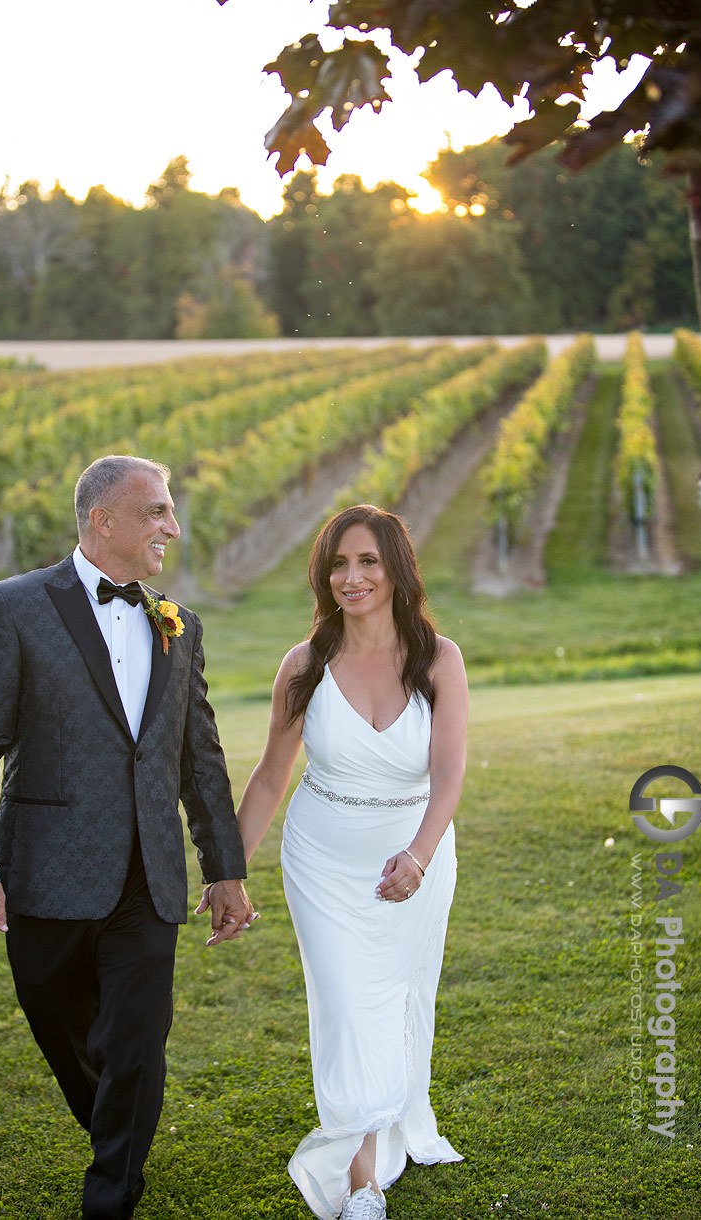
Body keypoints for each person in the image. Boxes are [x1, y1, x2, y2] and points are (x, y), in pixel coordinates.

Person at [0, 454, 255, 1220]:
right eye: (156, 512)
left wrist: (224, 868)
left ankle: (111, 1192)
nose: (172, 528)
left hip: (150, 878)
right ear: (101, 520)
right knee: (62, 1025)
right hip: (45, 871)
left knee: (138, 1039)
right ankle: (117, 1125)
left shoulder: (179, 625)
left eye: (171, 511)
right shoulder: (11, 607)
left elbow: (199, 756)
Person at [235, 504, 467, 1220]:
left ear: (396, 570)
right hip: (323, 860)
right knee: (345, 1005)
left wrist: (419, 856)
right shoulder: (303, 665)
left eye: (367, 561)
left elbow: (450, 771)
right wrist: (228, 871)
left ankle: (383, 1132)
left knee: (396, 1001)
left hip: (414, 856)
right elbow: (272, 776)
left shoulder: (438, 657)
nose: (350, 576)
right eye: (337, 563)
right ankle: (362, 1184)